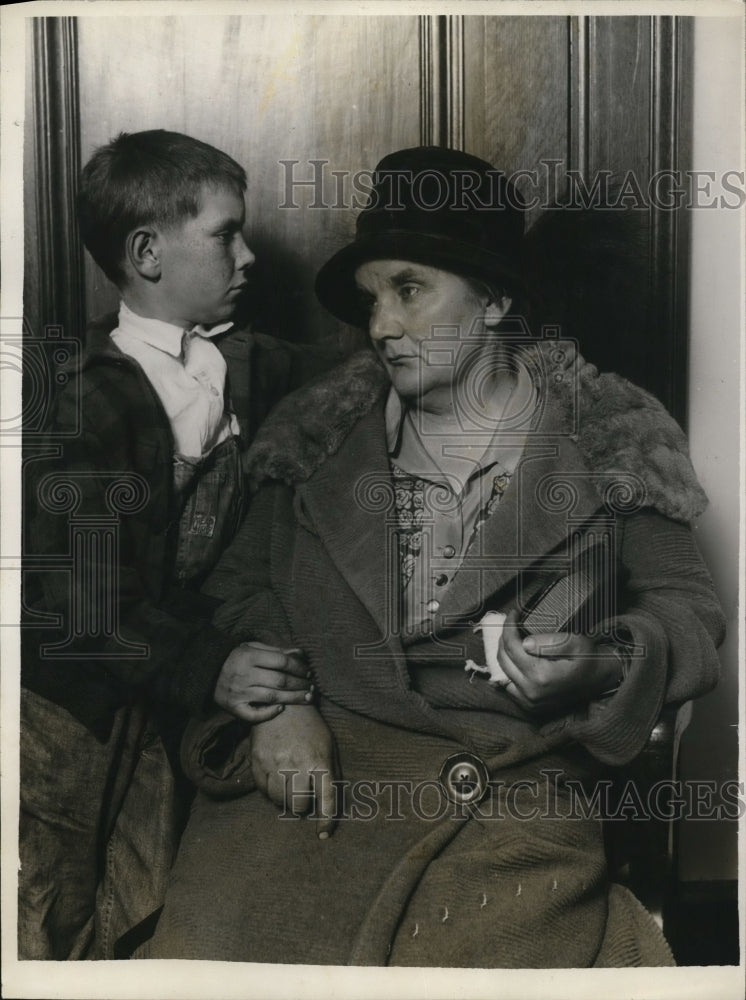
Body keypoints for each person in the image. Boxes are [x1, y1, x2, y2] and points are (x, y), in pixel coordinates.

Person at [143, 146, 725, 967]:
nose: (380, 326)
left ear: (495, 301)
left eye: (410, 290)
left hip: (505, 800)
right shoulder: (314, 439)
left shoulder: (610, 440)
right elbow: (238, 590)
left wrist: (603, 662)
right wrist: (279, 706)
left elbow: (688, 608)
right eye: (371, 297)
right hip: (310, 781)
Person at [19, 130, 327, 960]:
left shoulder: (255, 365)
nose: (250, 255)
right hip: (62, 710)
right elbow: (82, 603)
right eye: (226, 234)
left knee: (144, 908)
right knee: (44, 915)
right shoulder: (76, 395)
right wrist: (215, 665)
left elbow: (362, 373)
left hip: (157, 712)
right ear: (147, 253)